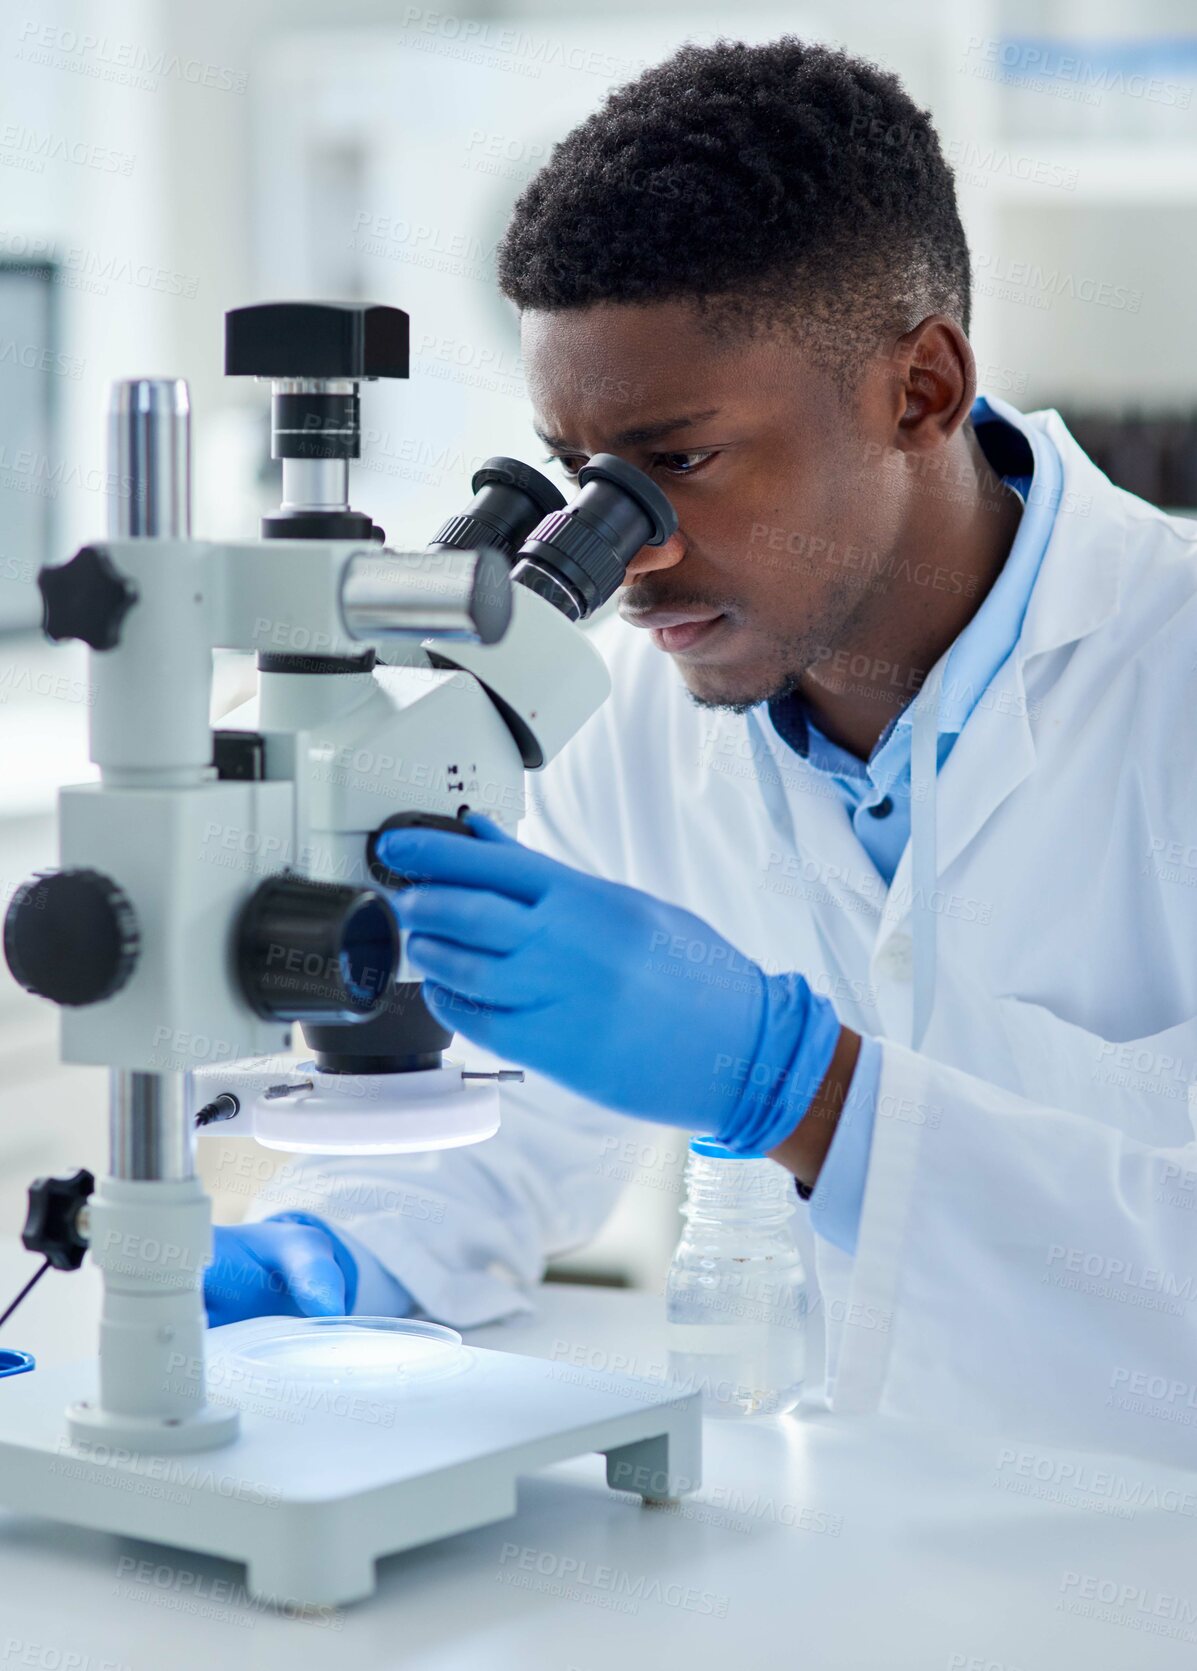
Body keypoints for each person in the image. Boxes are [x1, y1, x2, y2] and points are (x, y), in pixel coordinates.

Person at [206, 38, 1197, 1460]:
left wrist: (801, 1089)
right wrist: (308, 1264)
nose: (625, 554)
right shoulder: (633, 726)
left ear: (918, 388)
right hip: (820, 1558)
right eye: (579, 479)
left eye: (675, 463)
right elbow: (507, 1153)